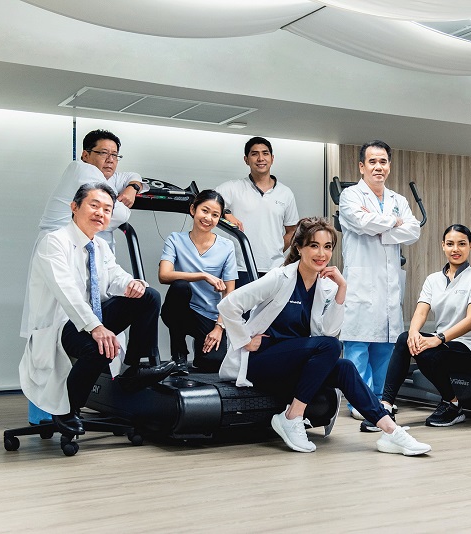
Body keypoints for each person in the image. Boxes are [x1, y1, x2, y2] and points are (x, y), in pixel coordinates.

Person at [217, 217, 431, 456]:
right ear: (299, 248)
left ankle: (391, 431)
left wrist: (342, 289)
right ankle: (292, 416)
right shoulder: (279, 278)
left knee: (344, 367)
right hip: (262, 362)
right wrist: (245, 340)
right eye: (314, 245)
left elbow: (329, 332)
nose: (321, 253)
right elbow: (228, 305)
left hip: (295, 363)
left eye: (327, 247)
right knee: (330, 346)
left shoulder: (326, 286)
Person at [19, 182, 175, 436]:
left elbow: (115, 275)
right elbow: (66, 292)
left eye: (107, 209)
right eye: (94, 205)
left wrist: (132, 283)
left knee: (148, 296)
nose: (100, 213)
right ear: (74, 207)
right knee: (98, 347)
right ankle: (68, 409)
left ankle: (133, 369)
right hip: (61, 326)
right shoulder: (54, 242)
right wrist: (96, 327)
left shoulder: (99, 246)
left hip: (94, 319)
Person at [373, 224, 471, 430]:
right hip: (441, 343)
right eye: (450, 244)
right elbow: (421, 312)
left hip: (470, 347)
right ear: (443, 245)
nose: (455, 249)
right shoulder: (433, 280)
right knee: (405, 339)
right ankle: (386, 408)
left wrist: (439, 338)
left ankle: (452, 405)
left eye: (462, 244)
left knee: (428, 352)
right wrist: (413, 333)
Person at [338, 140, 421, 424]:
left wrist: (381, 225)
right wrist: (393, 222)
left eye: (383, 161)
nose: (378, 167)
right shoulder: (350, 196)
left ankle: (380, 400)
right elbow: (361, 222)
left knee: (386, 345)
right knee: (358, 345)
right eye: (372, 162)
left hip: (388, 284)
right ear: (362, 166)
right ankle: (359, 402)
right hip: (361, 282)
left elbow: (413, 231)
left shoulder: (398, 199)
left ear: (389, 166)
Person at [159, 190, 237, 374]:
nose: (208, 218)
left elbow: (229, 292)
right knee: (180, 286)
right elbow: (164, 275)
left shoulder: (227, 246)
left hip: (209, 315)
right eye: (205, 211)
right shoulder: (175, 239)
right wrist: (202, 275)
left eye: (215, 215)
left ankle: (201, 350)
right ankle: (179, 354)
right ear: (193, 209)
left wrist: (219, 327)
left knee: (213, 363)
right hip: (180, 310)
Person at [39, 129, 148, 250]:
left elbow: (133, 176)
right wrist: (122, 206)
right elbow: (119, 215)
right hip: (64, 247)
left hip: (86, 249)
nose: (110, 159)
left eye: (114, 155)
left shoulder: (106, 176)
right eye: (104, 153)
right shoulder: (84, 171)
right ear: (86, 155)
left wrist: (133, 188)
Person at [216, 136, 299, 286]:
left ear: (272, 158)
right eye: (254, 154)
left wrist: (275, 250)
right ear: (246, 160)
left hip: (275, 269)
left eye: (265, 153)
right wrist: (226, 213)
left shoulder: (286, 193)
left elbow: (292, 231)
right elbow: (205, 203)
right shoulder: (232, 188)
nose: (261, 158)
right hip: (240, 268)